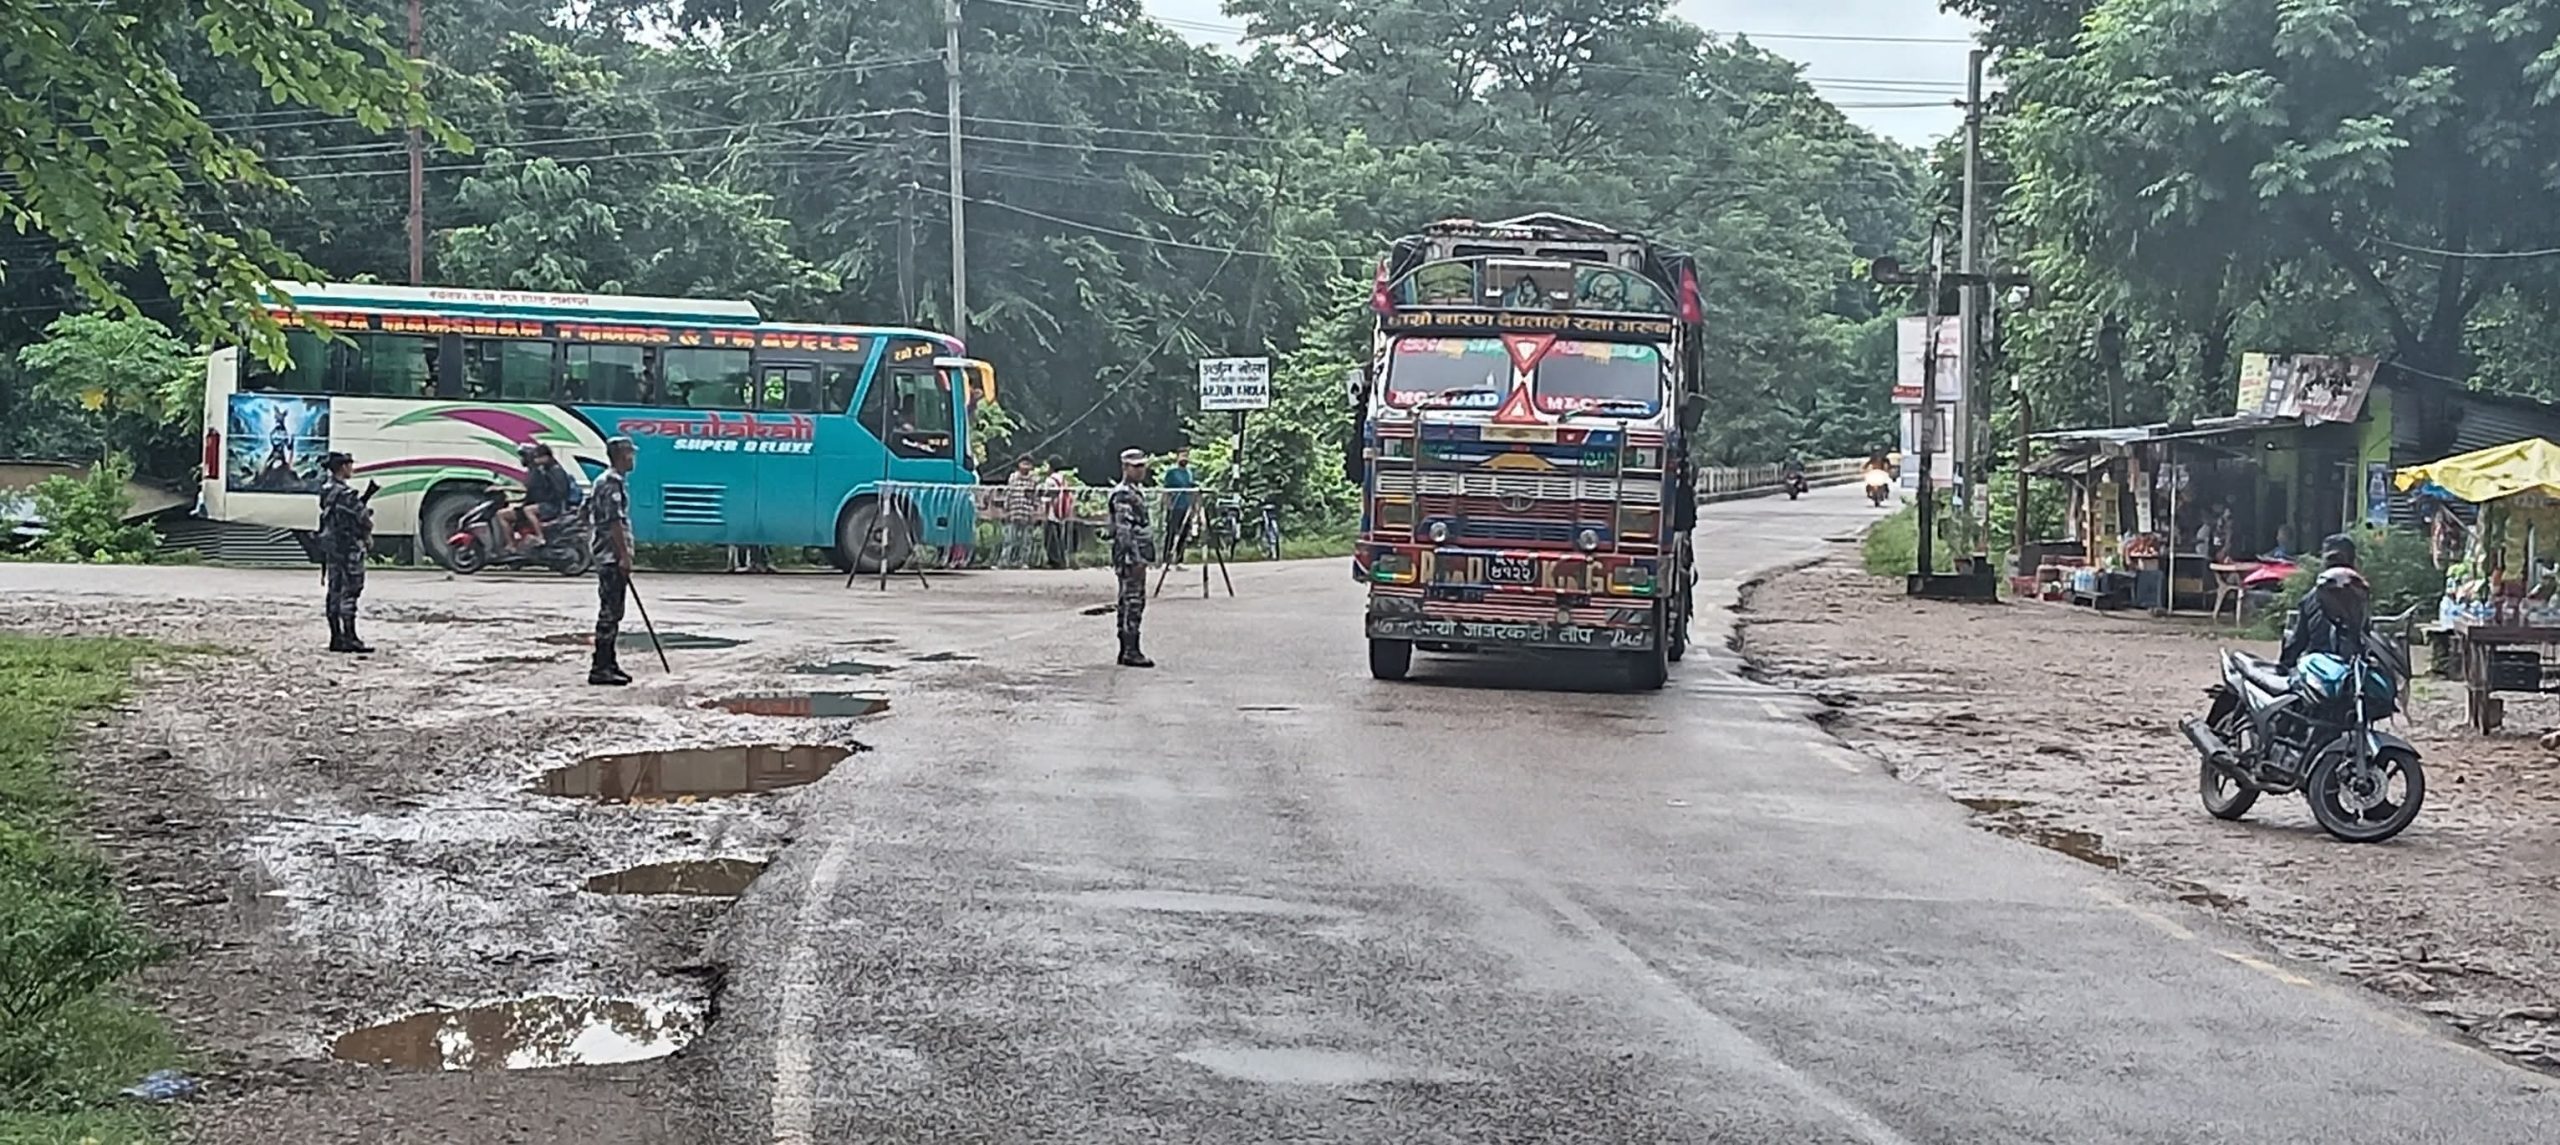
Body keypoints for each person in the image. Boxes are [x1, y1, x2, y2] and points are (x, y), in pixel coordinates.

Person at [588, 437, 638, 686]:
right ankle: (600, 667)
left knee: (614, 611)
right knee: (610, 612)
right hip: (610, 556)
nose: (633, 459)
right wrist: (623, 555)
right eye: (630, 454)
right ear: (620, 455)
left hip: (606, 553)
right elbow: (615, 522)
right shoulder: (611, 483)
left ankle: (609, 662)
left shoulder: (605, 481)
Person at [2279, 534, 2366, 671]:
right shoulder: (2361, 596)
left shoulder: (2310, 599)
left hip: (2340, 671)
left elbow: (2297, 643)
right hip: (2325, 671)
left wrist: (2284, 667)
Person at [317, 451, 374, 653]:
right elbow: (363, 519)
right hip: (349, 547)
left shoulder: (325, 490)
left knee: (334, 591)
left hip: (332, 547)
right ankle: (350, 637)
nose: (352, 468)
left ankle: (336, 637)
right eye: (349, 465)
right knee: (351, 590)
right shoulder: (346, 494)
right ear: (342, 467)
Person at [1108, 448, 1157, 668]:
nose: (1140, 470)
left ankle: (1128, 648)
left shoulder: (1135, 491)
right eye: (1135, 467)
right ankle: (1130, 649)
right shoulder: (1123, 494)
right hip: (1131, 555)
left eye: (1142, 466)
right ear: (1125, 468)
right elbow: (1123, 529)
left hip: (1138, 552)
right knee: (1132, 601)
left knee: (1130, 600)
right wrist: (1132, 558)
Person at [499, 443, 572, 555]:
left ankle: (537, 538)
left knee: (522, 511)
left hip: (551, 506)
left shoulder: (550, 471)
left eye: (538, 457)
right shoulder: (542, 470)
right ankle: (514, 544)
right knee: (505, 514)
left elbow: (538, 491)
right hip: (543, 504)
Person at [1162, 448, 1199, 568]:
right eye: (1182, 456)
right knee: (1171, 533)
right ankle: (1166, 560)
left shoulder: (1189, 472)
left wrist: (1193, 507)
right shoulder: (1172, 472)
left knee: (1183, 533)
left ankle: (1179, 560)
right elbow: (1166, 490)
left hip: (1186, 506)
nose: (1185, 458)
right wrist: (1168, 505)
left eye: (1186, 456)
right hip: (1175, 506)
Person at [1002, 455, 1040, 568]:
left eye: (1028, 464)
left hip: (1027, 512)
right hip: (1014, 512)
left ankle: (1023, 562)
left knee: (1026, 540)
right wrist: (1006, 508)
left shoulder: (1034, 480)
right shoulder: (1013, 477)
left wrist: (1035, 512)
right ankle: (1005, 561)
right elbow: (1008, 494)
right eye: (1023, 463)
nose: (1025, 466)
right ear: (1018, 465)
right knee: (1010, 539)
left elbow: (1036, 498)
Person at [1040, 457, 1074, 569]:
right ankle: (1062, 560)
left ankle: (1054, 560)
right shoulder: (1063, 479)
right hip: (1061, 513)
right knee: (1060, 537)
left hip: (1052, 512)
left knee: (1050, 538)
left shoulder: (1050, 480)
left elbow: (1048, 495)